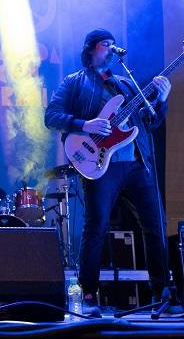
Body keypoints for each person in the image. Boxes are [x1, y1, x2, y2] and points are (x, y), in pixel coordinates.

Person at [44, 29, 172, 315]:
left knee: (155, 226)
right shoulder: (74, 82)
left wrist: (162, 100)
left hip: (137, 163)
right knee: (97, 226)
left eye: (115, 45)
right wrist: (84, 125)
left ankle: (161, 291)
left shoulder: (125, 84)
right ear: (90, 49)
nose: (112, 49)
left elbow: (150, 122)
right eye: (106, 45)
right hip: (100, 164)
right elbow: (51, 116)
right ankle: (88, 293)